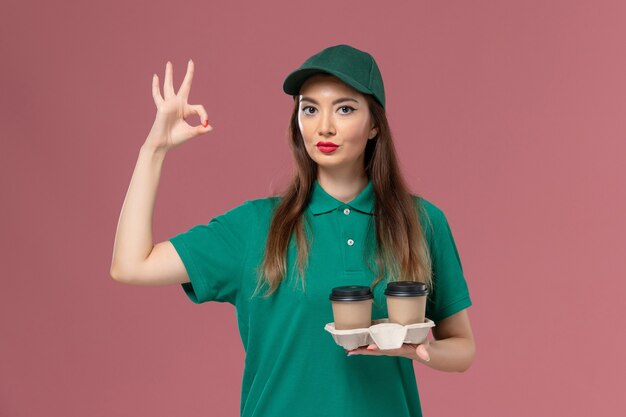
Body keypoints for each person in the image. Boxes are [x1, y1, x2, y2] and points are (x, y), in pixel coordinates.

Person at [110, 44, 475, 417]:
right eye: (310, 109)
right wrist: (153, 150)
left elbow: (462, 347)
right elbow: (130, 264)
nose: (324, 126)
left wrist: (422, 351)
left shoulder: (422, 222)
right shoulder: (256, 226)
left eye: (345, 109)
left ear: (375, 124)